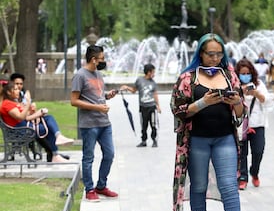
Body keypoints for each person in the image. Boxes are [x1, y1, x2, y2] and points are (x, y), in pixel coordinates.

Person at [170, 33, 248, 211]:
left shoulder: (229, 75)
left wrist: (236, 103)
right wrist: (204, 102)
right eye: (210, 54)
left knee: (229, 186)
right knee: (199, 186)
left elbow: (241, 114)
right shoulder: (188, 78)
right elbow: (178, 110)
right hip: (198, 140)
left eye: (218, 54)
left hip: (224, 138)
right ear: (200, 54)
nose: (215, 58)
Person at [71, 45, 119, 202]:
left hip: (105, 123)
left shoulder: (98, 74)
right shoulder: (80, 75)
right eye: (102, 59)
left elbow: (96, 95)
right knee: (89, 157)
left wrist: (107, 95)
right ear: (93, 59)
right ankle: (89, 189)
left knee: (110, 154)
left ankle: (101, 186)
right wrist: (97, 107)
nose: (104, 61)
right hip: (89, 124)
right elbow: (74, 101)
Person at [0, 82, 73, 163]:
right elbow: (20, 117)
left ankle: (58, 138)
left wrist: (37, 113)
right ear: (8, 92)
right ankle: (55, 153)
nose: (18, 90)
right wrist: (28, 104)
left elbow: (26, 116)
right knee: (47, 128)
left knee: (49, 118)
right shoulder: (7, 104)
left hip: (24, 126)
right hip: (20, 130)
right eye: (15, 89)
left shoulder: (13, 103)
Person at [234, 58, 267, 190]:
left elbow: (266, 100)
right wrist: (240, 92)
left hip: (257, 124)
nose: (245, 76)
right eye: (243, 73)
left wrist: (256, 93)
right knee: (242, 153)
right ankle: (242, 177)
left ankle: (254, 172)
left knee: (258, 151)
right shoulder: (234, 85)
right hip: (241, 126)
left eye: (248, 73)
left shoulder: (258, 84)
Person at [122, 64, 161, 147]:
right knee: (144, 125)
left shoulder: (153, 83)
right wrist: (126, 87)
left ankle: (154, 140)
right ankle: (144, 141)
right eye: (153, 72)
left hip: (152, 107)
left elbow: (155, 94)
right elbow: (133, 90)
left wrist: (158, 106)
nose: (154, 74)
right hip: (143, 107)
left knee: (153, 124)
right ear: (148, 72)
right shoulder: (139, 80)